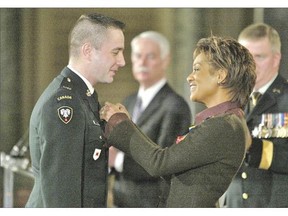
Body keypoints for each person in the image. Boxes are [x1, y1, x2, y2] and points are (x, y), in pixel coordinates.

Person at [100, 35, 256, 207]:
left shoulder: (222, 125)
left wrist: (119, 122)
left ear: (221, 75)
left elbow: (159, 163)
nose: (190, 77)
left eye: (197, 69)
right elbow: (170, 165)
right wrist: (129, 126)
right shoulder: (227, 121)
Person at [26, 13, 126, 208]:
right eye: (115, 52)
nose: (122, 61)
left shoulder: (83, 96)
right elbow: (61, 193)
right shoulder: (65, 103)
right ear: (88, 51)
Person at [109, 31, 191, 207]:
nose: (142, 63)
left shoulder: (175, 106)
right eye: (138, 56)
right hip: (121, 201)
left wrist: (117, 160)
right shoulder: (128, 101)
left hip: (153, 203)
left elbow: (165, 164)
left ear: (165, 60)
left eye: (151, 56)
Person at [225, 23, 288, 207]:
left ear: (276, 59)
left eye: (259, 57)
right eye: (245, 57)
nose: (250, 64)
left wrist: (253, 146)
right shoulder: (228, 100)